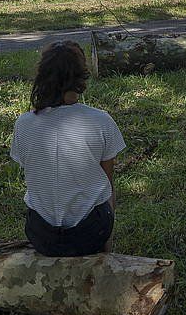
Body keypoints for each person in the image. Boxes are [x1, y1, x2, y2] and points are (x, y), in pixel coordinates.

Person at [10, 41, 124, 257]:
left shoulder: (23, 123)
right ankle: (104, 249)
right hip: (90, 235)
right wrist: (106, 243)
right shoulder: (100, 121)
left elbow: (33, 171)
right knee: (104, 191)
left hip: (42, 236)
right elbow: (108, 185)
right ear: (81, 76)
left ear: (42, 74)